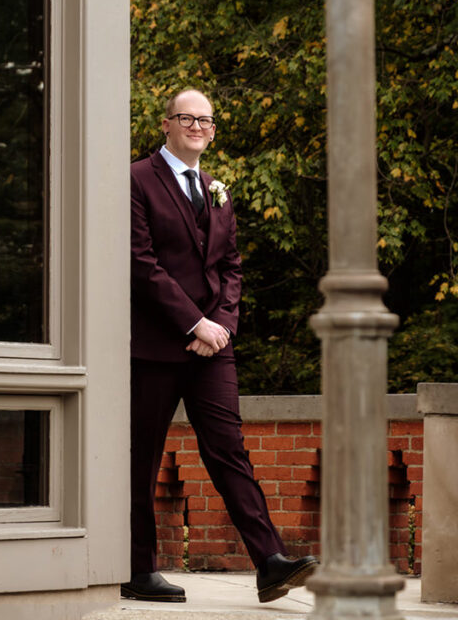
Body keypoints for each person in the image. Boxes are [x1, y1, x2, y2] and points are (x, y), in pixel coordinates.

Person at [124, 89, 317, 604]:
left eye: (205, 120)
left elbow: (230, 267)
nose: (196, 126)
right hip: (154, 347)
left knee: (229, 451)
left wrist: (222, 326)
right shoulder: (136, 178)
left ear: (212, 130)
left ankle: (270, 562)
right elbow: (141, 265)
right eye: (186, 117)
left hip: (214, 348)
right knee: (141, 458)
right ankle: (138, 569)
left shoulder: (216, 189)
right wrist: (193, 323)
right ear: (166, 124)